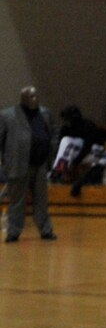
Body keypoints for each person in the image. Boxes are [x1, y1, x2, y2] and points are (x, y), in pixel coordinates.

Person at [0, 86, 56, 243]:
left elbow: (53, 133)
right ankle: (14, 231)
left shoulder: (45, 113)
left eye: (36, 96)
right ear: (22, 98)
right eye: (31, 97)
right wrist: (4, 163)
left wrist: (51, 153)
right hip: (18, 164)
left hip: (40, 164)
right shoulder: (7, 115)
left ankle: (46, 229)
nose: (35, 99)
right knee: (17, 201)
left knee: (41, 200)